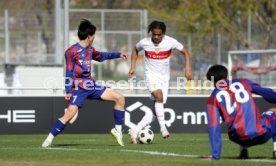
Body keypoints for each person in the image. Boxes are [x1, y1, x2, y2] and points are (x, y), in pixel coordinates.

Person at [42, 19, 127, 147]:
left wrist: (118, 54)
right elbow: (69, 72)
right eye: (93, 35)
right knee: (69, 115)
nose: (94, 38)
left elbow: (102, 56)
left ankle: (118, 131)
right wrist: (68, 91)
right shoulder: (71, 52)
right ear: (89, 36)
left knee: (120, 98)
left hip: (91, 86)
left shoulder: (90, 50)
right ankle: (49, 139)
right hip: (79, 88)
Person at [128, 20, 192, 144]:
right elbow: (135, 50)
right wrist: (132, 67)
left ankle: (135, 130)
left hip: (164, 79)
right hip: (150, 76)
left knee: (156, 111)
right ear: (151, 33)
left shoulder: (170, 42)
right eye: (154, 34)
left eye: (159, 35)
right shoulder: (145, 42)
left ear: (163, 33)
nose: (156, 37)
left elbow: (185, 52)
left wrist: (187, 69)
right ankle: (163, 128)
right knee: (159, 95)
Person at [205, 64, 276, 160]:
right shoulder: (243, 82)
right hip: (260, 134)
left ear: (213, 81)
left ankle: (243, 150)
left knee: (239, 119)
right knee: (272, 112)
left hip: (238, 138)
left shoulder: (212, 98)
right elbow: (267, 93)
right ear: (227, 76)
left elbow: (213, 126)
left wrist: (215, 156)